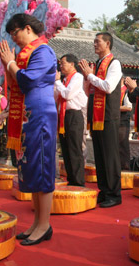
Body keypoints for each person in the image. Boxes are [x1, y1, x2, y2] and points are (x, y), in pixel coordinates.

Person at [0, 13, 57, 246]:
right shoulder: (26, 55)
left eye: (15, 33)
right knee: (31, 167)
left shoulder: (43, 51)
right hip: (28, 116)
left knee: (42, 166)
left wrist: (11, 63)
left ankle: (44, 225)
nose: (14, 39)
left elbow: (28, 81)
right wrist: (9, 64)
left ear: (28, 29)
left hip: (40, 115)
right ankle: (37, 222)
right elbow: (16, 84)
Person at [79, 32, 122, 208]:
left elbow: (108, 87)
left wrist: (90, 75)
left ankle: (114, 194)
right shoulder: (97, 64)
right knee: (100, 155)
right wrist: (87, 78)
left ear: (108, 44)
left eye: (98, 41)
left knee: (110, 156)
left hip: (108, 116)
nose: (94, 44)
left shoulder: (114, 63)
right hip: (96, 116)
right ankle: (104, 191)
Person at [54, 54, 87, 186]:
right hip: (63, 116)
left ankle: (78, 182)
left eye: (63, 63)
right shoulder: (64, 80)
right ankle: (71, 180)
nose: (60, 66)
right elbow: (57, 97)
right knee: (66, 150)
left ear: (72, 64)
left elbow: (68, 94)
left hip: (74, 115)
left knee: (74, 149)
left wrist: (57, 82)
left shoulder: (77, 77)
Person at [119, 78, 132, 171]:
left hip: (123, 121)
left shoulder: (126, 91)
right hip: (115, 120)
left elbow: (128, 107)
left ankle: (125, 167)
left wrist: (115, 107)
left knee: (123, 145)